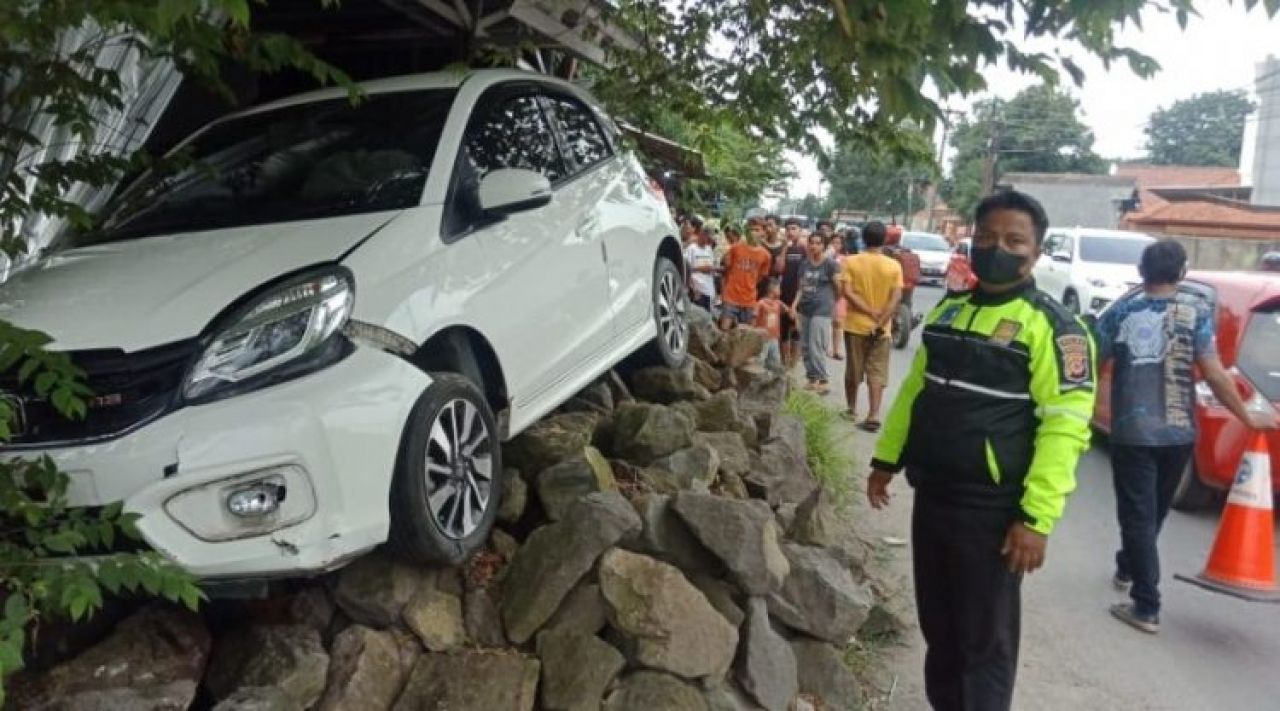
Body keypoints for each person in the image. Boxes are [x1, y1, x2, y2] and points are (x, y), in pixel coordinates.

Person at [867, 190, 1096, 711]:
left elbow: (1066, 428)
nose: (999, 248)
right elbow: (913, 393)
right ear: (971, 241)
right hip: (933, 498)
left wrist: (1036, 518)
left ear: (1036, 252)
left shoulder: (1057, 330)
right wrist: (886, 459)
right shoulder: (949, 311)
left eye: (1014, 240)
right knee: (940, 629)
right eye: (988, 237)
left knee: (985, 642)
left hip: (993, 513)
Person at [1095, 239, 1278, 634]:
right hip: (1179, 433)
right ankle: (1128, 565)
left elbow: (1093, 363)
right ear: (1180, 273)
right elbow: (1214, 373)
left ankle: (1146, 604)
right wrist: (1247, 416)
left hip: (1132, 430)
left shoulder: (1120, 312)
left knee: (1137, 515)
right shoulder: (1195, 313)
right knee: (1153, 511)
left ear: (1142, 272)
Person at [841, 221, 902, 431]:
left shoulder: (851, 262)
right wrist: (882, 319)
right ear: (884, 239)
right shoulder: (893, 266)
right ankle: (874, 414)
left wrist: (868, 311)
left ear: (863, 238)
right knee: (877, 372)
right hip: (882, 329)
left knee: (853, 369)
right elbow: (896, 298)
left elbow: (847, 292)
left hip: (856, 325)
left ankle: (851, 408)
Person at [791, 232, 841, 391]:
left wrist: (832, 302)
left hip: (822, 308)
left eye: (818, 243)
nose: (814, 246)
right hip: (805, 308)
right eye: (811, 242)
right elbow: (801, 287)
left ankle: (823, 379)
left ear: (824, 246)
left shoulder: (830, 264)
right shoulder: (804, 264)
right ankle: (812, 378)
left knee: (816, 344)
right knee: (805, 345)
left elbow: (838, 287)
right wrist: (794, 305)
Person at [720, 217, 773, 330]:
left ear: (763, 232)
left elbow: (761, 277)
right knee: (724, 329)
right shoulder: (736, 247)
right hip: (731, 296)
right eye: (752, 229)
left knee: (747, 333)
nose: (754, 233)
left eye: (757, 230)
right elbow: (726, 268)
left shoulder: (766, 255)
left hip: (749, 299)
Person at [779, 218, 810, 369]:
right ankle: (784, 364)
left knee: (797, 330)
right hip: (784, 292)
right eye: (788, 229)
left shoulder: (805, 249)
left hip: (800, 295)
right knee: (783, 330)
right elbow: (779, 268)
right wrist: (785, 247)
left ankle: (793, 365)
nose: (790, 232)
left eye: (794, 228)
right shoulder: (785, 248)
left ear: (800, 230)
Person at [755, 278, 787, 373]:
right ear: (772, 289)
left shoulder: (777, 303)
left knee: (775, 359)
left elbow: (786, 310)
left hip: (774, 337)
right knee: (760, 358)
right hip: (763, 337)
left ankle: (775, 377)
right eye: (778, 288)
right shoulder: (761, 303)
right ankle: (758, 376)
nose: (780, 291)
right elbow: (754, 317)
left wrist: (782, 304)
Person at [684, 224, 718, 311]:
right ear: (702, 234)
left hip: (709, 290)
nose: (709, 241)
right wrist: (693, 289)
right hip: (697, 290)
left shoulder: (709, 249)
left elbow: (711, 268)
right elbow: (687, 270)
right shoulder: (692, 249)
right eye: (708, 238)